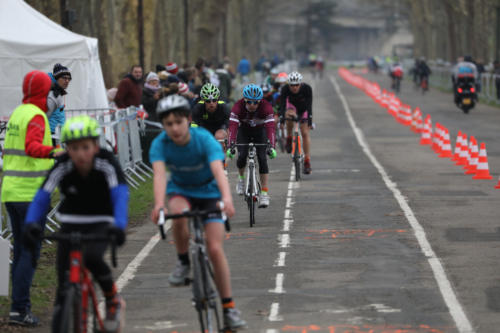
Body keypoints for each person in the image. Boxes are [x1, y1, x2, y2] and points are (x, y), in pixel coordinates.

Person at [23, 116, 129, 333]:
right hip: (71, 222)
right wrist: (31, 222)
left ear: (95, 145)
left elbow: (120, 194)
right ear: (66, 149)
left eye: (85, 147)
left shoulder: (106, 163)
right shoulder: (63, 165)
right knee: (63, 285)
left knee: (91, 257)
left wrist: (119, 225)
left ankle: (112, 299)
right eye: (74, 148)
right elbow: (42, 195)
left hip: (101, 221)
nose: (80, 153)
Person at [149, 94, 246, 330]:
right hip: (181, 191)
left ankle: (229, 307)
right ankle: (183, 261)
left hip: (210, 192)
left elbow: (218, 171)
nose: (175, 128)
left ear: (188, 120)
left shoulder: (204, 140)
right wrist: (159, 204)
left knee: (214, 248)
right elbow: (160, 175)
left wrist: (226, 199)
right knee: (178, 213)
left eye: (178, 122)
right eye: (168, 124)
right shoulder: (160, 144)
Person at [2, 70, 63, 326]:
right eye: (50, 91)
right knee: (29, 253)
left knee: (20, 251)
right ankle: (20, 309)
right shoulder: (36, 116)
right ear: (43, 92)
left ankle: (18, 306)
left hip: (11, 193)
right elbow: (32, 147)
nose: (53, 96)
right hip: (29, 195)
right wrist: (57, 151)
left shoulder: (18, 112)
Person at [227, 84, 276, 208]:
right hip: (244, 132)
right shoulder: (237, 107)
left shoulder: (267, 108)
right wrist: (230, 145)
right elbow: (232, 127)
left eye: (255, 102)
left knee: (262, 158)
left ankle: (264, 193)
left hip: (261, 132)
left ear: (260, 101)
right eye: (249, 102)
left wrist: (272, 146)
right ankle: (241, 179)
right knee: (242, 155)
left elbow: (270, 128)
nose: (252, 105)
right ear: (244, 100)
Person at [278, 71, 313, 174]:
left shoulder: (307, 88)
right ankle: (289, 137)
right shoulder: (284, 89)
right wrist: (282, 119)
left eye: (297, 85)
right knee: (288, 115)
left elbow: (310, 105)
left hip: (304, 109)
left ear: (300, 84)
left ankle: (307, 161)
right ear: (289, 85)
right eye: (292, 85)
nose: (294, 87)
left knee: (305, 133)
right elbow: (282, 105)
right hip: (291, 108)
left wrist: (310, 120)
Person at [47, 63, 71, 141]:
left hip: (57, 133)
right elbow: (44, 116)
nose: (67, 81)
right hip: (52, 135)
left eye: (69, 78)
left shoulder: (57, 91)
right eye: (64, 78)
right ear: (56, 78)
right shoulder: (53, 94)